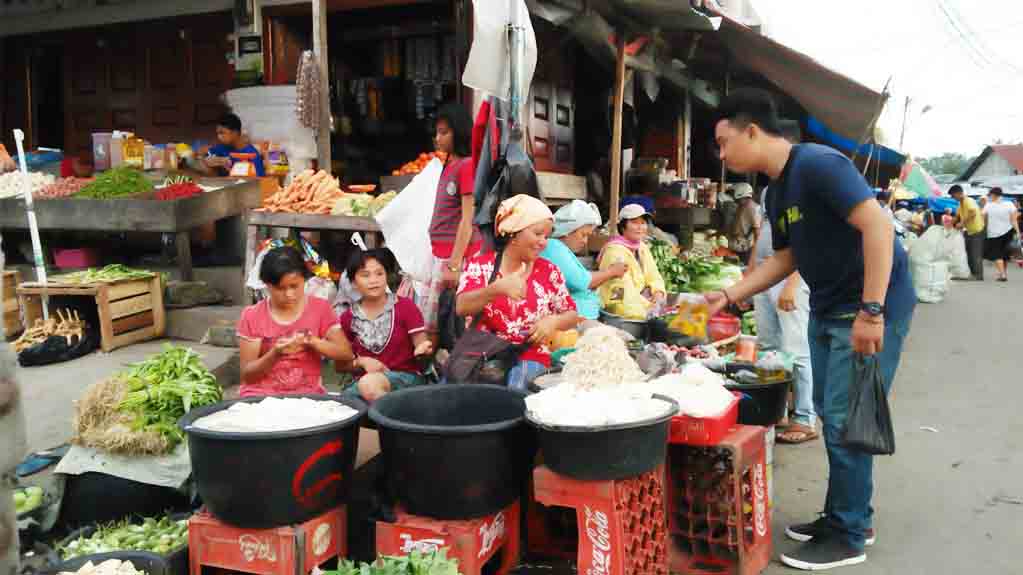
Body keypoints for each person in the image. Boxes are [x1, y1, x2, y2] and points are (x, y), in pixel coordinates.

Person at [706, 88, 915, 571]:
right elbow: (788, 255)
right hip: (827, 304)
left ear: (752, 130)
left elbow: (878, 229)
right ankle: (845, 513)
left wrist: (872, 310)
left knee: (844, 421)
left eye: (722, 141)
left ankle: (849, 533)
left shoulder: (819, 165)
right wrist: (732, 294)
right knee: (828, 412)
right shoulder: (775, 190)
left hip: (867, 306)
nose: (721, 154)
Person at [456, 195, 579, 390]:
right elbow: (462, 307)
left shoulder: (548, 271)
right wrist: (496, 289)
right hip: (482, 352)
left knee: (517, 392)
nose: (543, 242)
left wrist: (553, 321)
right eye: (537, 233)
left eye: (546, 236)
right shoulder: (481, 266)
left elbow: (572, 314)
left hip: (530, 353)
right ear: (513, 233)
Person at [746, 120, 816, 446]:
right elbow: (763, 232)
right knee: (770, 349)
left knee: (796, 350)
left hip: (789, 278)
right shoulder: (770, 189)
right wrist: (750, 272)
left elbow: (810, 242)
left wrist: (792, 282)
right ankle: (779, 411)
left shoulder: (805, 185)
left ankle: (805, 417)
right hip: (765, 273)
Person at [237, 246, 354, 396]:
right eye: (280, 288)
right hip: (260, 395)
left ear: (304, 279)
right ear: (267, 285)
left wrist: (311, 341)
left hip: (307, 395)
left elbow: (346, 353)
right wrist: (274, 354)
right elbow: (247, 375)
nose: (289, 294)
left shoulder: (320, 309)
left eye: (295, 286)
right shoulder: (252, 316)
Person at [420, 103, 483, 338]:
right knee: (437, 321)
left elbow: (468, 218)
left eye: (444, 132)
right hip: (441, 254)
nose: (438, 138)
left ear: (459, 132)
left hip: (456, 256)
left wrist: (455, 266)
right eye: (436, 133)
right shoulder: (449, 165)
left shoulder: (466, 166)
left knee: (449, 324)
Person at [339, 249, 433, 402]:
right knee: (347, 399)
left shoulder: (405, 307)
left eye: (379, 273)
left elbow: (421, 344)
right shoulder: (347, 318)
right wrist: (361, 361)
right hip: (363, 383)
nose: (373, 280)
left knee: (368, 385)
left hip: (406, 380)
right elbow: (341, 365)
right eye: (365, 275)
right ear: (354, 282)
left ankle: (393, 420)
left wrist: (423, 348)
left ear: (387, 276)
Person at [540, 200, 627, 324]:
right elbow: (581, 282)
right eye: (583, 235)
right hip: (575, 321)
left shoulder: (562, 249)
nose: (585, 241)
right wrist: (611, 272)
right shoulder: (553, 247)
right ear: (567, 230)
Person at [597, 204, 667, 319]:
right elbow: (620, 291)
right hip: (620, 310)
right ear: (623, 226)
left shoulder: (642, 248)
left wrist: (658, 293)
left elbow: (653, 275)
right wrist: (649, 307)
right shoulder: (614, 251)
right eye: (634, 222)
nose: (640, 227)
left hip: (643, 305)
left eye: (643, 223)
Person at [982, 187, 1019, 282]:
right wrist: (1018, 232)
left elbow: (984, 220)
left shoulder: (988, 206)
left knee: (996, 254)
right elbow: (1014, 220)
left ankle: (1002, 275)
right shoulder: (1009, 204)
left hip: (994, 233)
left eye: (990, 195)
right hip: (1008, 232)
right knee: (1004, 254)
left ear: (993, 195)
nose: (989, 197)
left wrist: (984, 230)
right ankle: (1003, 273)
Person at [949, 185, 985, 280]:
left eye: (953, 196)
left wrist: (962, 223)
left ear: (959, 193)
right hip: (969, 231)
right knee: (968, 253)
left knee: (975, 253)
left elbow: (972, 213)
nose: (953, 198)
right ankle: (971, 274)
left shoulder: (968, 201)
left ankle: (978, 275)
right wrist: (949, 224)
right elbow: (957, 216)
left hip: (977, 230)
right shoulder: (960, 204)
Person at [729, 183, 761, 264]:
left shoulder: (753, 208)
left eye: (733, 192)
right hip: (737, 246)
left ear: (740, 192)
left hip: (745, 249)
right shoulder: (741, 206)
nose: (732, 195)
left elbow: (757, 232)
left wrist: (755, 254)